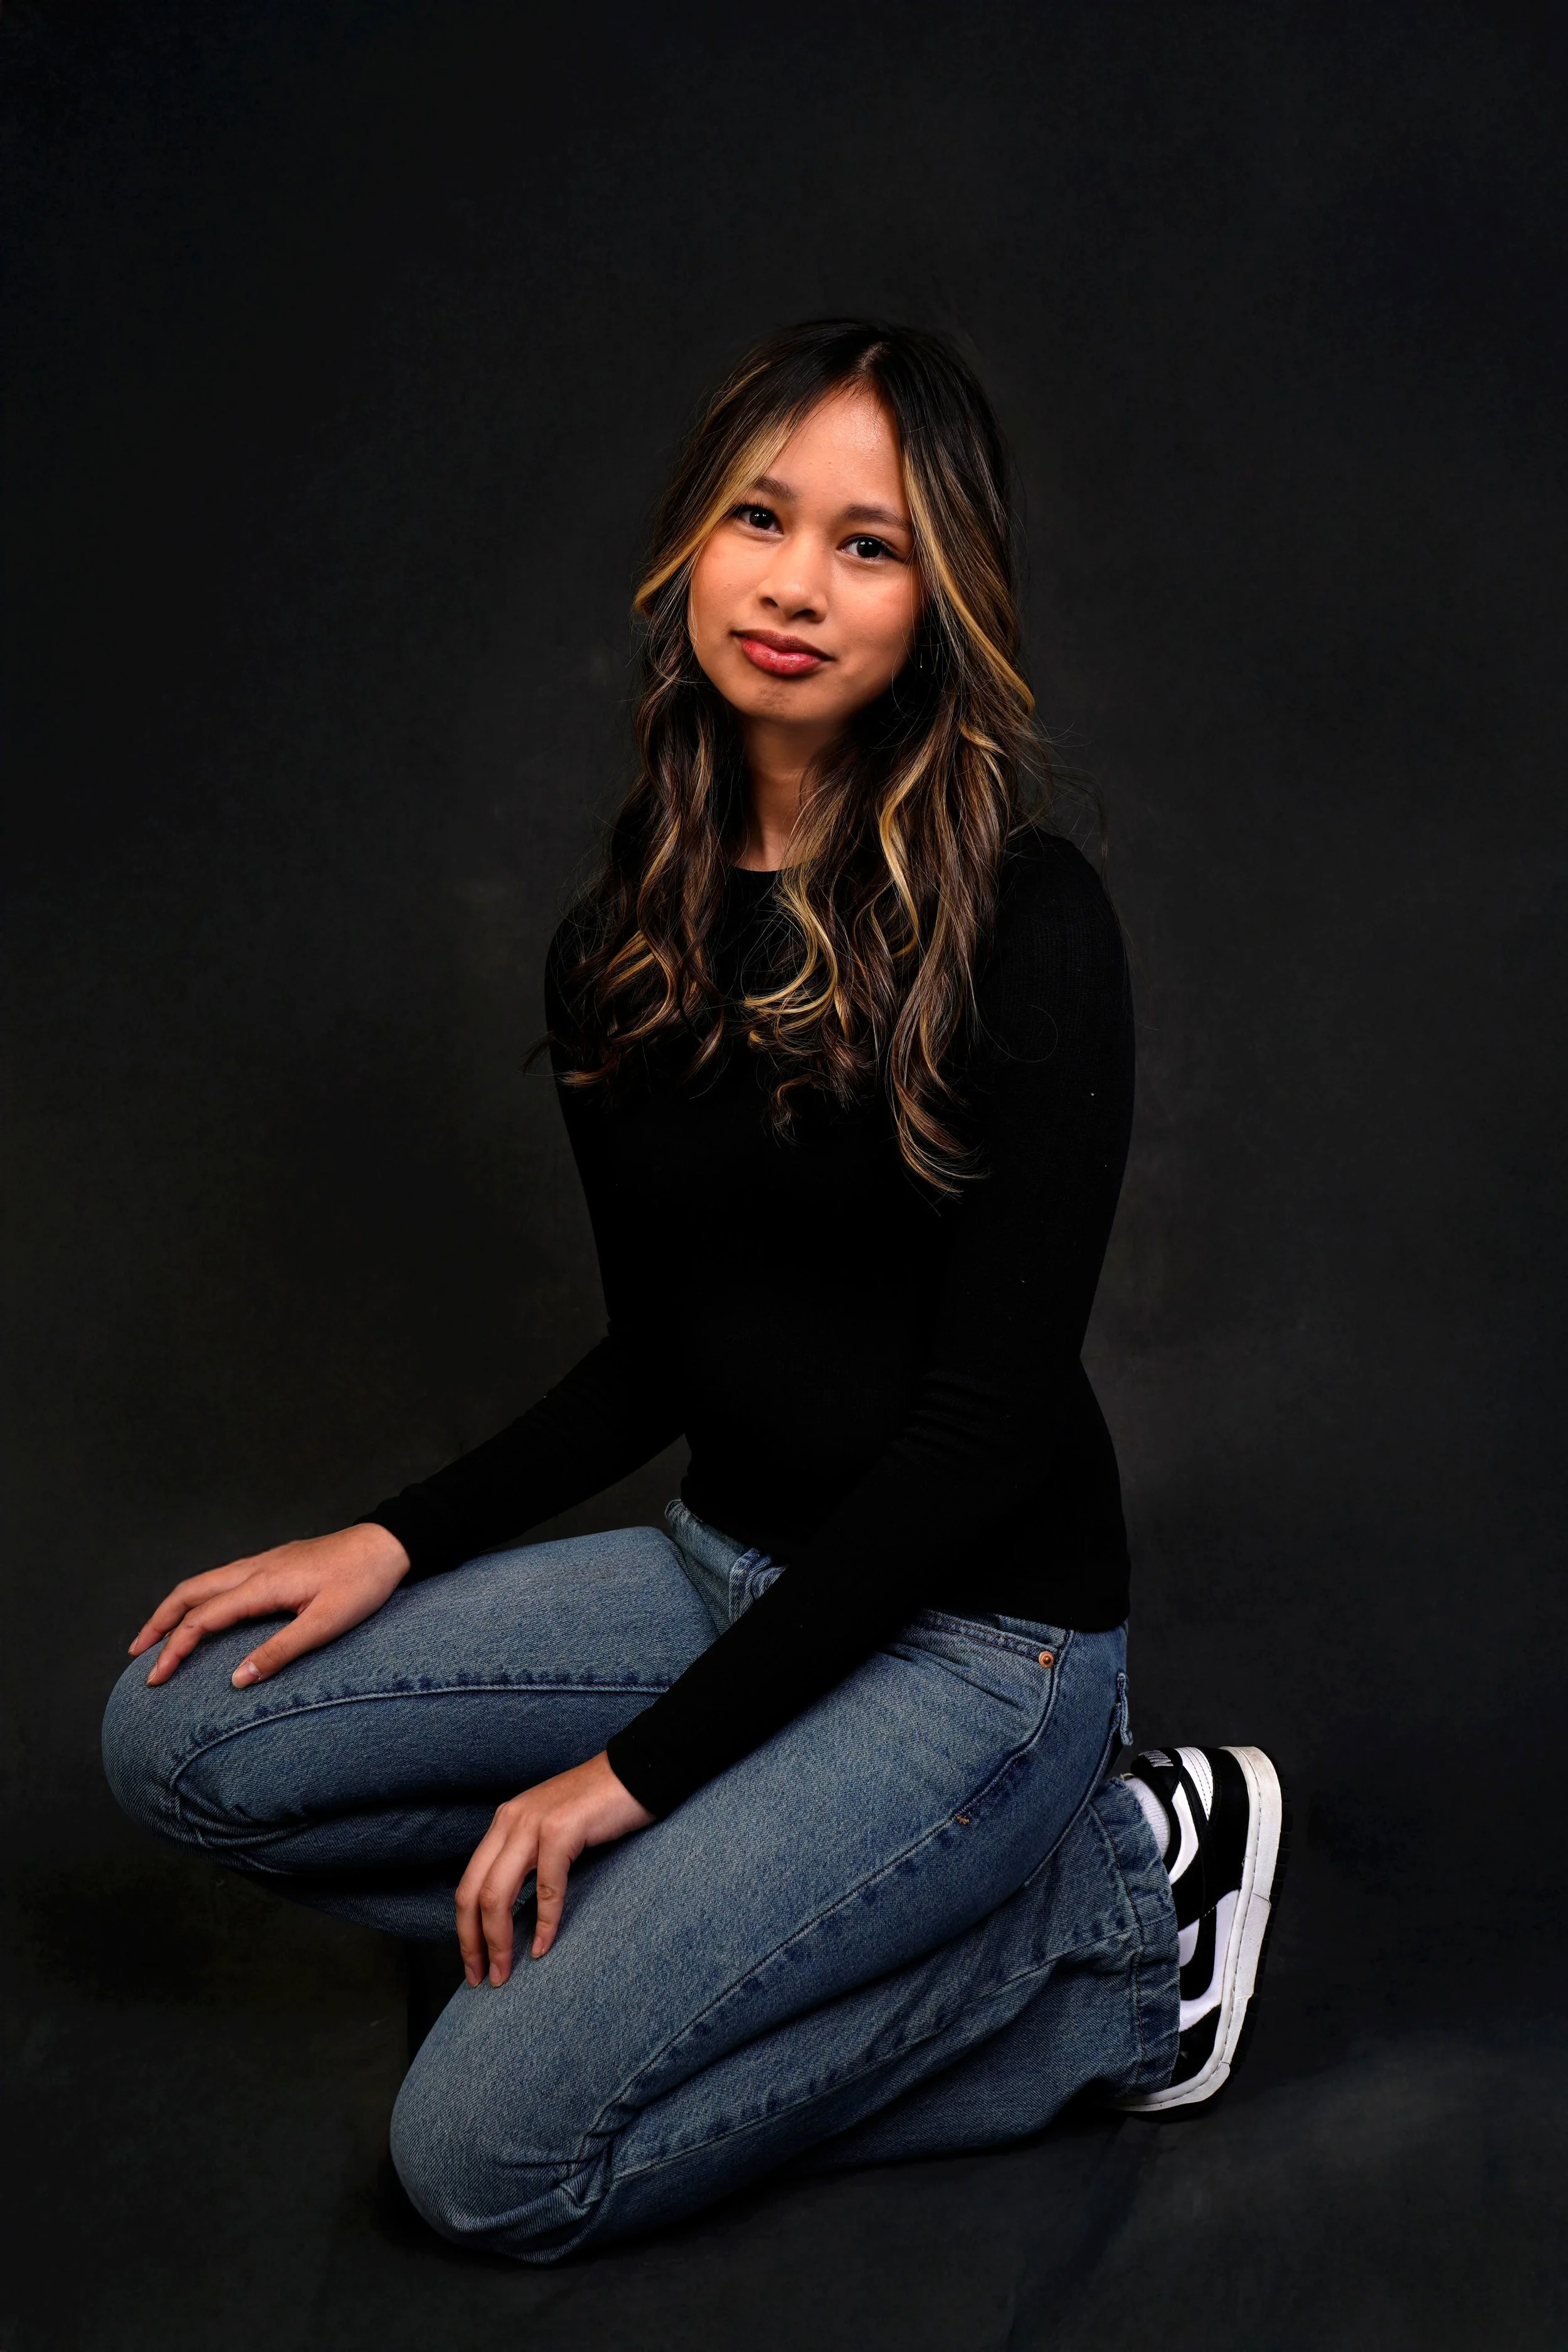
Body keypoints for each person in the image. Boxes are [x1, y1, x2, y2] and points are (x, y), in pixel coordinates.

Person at [102, 319, 1286, 2262]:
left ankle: (1113, 1925)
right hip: (714, 1575)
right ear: (692, 544)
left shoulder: (1025, 918)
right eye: (762, 516)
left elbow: (978, 1432)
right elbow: (667, 1348)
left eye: (870, 544)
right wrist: (392, 1540)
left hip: (981, 1654)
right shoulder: (620, 944)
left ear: (941, 603)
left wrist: (624, 1780)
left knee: (481, 2155)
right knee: (179, 1734)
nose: (798, 585)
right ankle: (660, 1953)